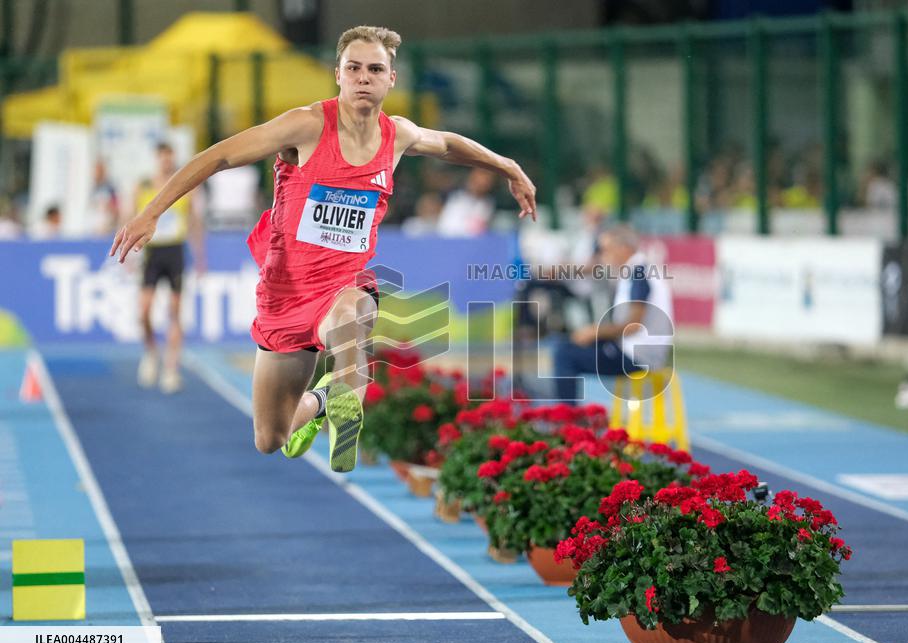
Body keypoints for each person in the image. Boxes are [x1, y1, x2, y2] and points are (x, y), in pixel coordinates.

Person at [110, 25, 536, 472]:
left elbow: (448, 144)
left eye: (375, 69)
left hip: (342, 286)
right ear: (338, 74)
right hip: (284, 294)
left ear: (391, 79)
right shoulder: (307, 124)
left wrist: (508, 166)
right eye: (354, 68)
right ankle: (320, 402)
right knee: (269, 437)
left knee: (354, 315)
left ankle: (345, 406)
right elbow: (219, 155)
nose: (363, 77)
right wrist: (153, 211)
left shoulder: (398, 136)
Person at [552, 225, 673, 403]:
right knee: (569, 343)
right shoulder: (639, 269)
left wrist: (594, 332)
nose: (603, 255)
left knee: (564, 355)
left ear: (623, 249)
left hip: (638, 357)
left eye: (606, 250)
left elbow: (633, 324)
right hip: (639, 351)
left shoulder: (638, 273)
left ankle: (568, 417)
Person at [132, 142, 205, 394]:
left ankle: (171, 368)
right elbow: (130, 218)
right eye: (162, 157)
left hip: (174, 252)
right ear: (157, 158)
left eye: (169, 158)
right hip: (152, 252)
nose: (166, 162)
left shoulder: (186, 189)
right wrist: (129, 254)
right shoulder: (143, 186)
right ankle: (151, 352)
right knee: (143, 311)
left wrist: (199, 256)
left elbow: (195, 223)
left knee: (175, 311)